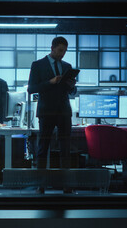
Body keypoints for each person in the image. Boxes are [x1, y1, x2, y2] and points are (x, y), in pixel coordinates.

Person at [27, 36, 77, 194]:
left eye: (65, 51)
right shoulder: (38, 65)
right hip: (46, 111)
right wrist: (51, 82)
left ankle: (66, 184)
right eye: (60, 50)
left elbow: (72, 92)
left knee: (65, 148)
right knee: (43, 147)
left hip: (64, 111)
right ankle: (41, 184)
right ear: (52, 48)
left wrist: (71, 85)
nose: (63, 54)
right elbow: (31, 88)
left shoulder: (67, 66)